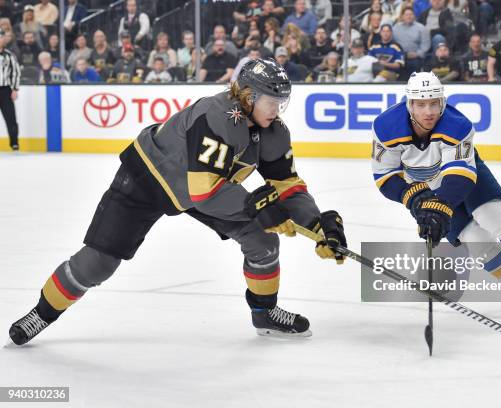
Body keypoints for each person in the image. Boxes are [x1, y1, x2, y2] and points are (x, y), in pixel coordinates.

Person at [7, 58, 346, 346]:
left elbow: (287, 185)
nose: (278, 110)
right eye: (272, 101)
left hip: (204, 186)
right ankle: (41, 313)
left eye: (280, 102)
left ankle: (264, 313)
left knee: (262, 241)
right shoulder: (217, 115)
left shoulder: (272, 130)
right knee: (99, 263)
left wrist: (317, 226)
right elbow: (203, 191)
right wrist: (256, 208)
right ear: (247, 96)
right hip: (149, 178)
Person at [371, 71, 501, 309]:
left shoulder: (457, 124)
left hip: (465, 177)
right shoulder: (385, 126)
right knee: (475, 238)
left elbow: (460, 174)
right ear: (409, 104)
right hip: (428, 187)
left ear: (442, 101)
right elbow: (385, 175)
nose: (428, 111)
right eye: (421, 104)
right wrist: (415, 199)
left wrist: (440, 207)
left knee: (493, 215)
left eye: (434, 103)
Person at [393, 7, 430, 76]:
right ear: (402, 16)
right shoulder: (395, 28)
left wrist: (417, 54)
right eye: (406, 14)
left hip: (415, 57)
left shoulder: (421, 28)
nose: (409, 16)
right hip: (399, 56)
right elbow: (392, 43)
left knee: (414, 64)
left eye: (411, 14)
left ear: (414, 16)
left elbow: (426, 45)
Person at [0, 28, 19, 151]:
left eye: (2, 37)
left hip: (5, 90)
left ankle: (14, 143)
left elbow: (16, 72)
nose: (2, 39)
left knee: (11, 118)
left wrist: (15, 89)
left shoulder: (9, 55)